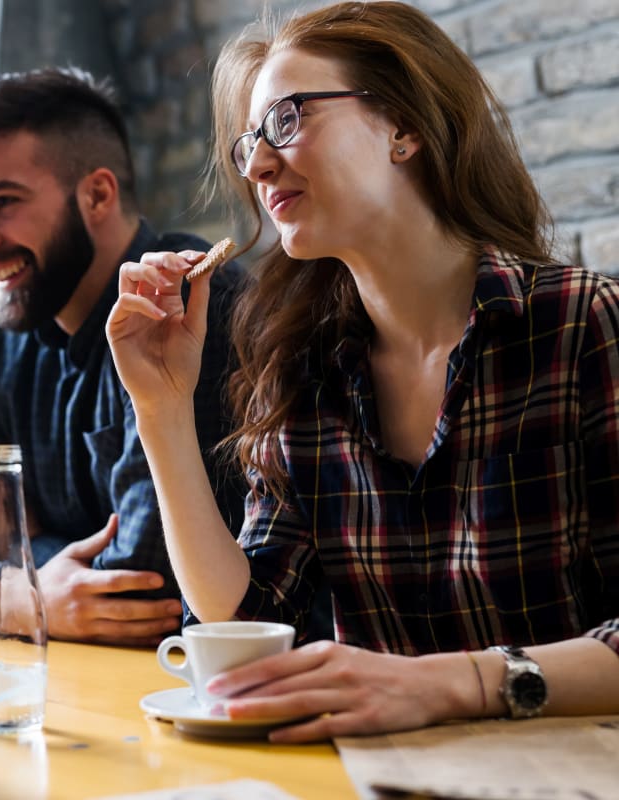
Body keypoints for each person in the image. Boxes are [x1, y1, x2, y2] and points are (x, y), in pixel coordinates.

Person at [106, 0, 619, 741]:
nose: (254, 164)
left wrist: (456, 683)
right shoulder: (304, 369)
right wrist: (161, 410)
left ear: (404, 126)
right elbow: (248, 626)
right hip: (387, 778)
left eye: (288, 118)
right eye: (250, 141)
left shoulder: (582, 327)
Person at [0, 67, 247, 646]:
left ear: (98, 194)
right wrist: (22, 595)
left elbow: (141, 588)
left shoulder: (186, 305)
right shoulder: (10, 331)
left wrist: (19, 550)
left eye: (2, 202)